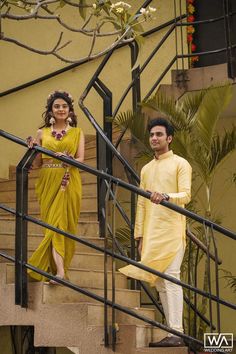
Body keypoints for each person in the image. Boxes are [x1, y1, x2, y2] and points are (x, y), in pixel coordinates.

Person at [119, 117, 192, 347]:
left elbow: (186, 195)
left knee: (171, 277)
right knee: (160, 282)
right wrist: (139, 235)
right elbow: (141, 203)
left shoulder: (181, 163)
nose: (154, 138)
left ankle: (177, 332)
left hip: (171, 230)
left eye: (159, 134)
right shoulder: (147, 169)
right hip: (151, 233)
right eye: (151, 135)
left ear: (169, 138)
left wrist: (167, 196)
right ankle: (172, 331)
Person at [27, 90, 84, 284]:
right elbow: (36, 165)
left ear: (70, 110)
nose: (61, 109)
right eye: (57, 106)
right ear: (51, 110)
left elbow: (81, 159)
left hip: (68, 180)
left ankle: (59, 272)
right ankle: (51, 268)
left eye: (64, 106)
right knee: (50, 225)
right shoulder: (41, 133)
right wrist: (34, 149)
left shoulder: (77, 132)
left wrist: (70, 159)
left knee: (60, 224)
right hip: (47, 180)